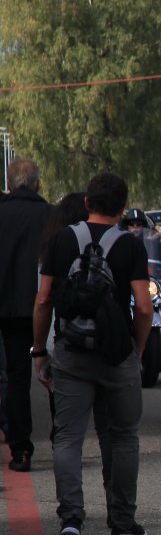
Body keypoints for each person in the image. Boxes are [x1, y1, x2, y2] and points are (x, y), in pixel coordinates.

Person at [32, 171, 151, 535]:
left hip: (72, 352)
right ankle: (123, 522)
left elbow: (43, 300)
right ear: (123, 207)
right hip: (116, 354)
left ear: (87, 203)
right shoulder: (131, 245)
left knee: (68, 437)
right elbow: (144, 307)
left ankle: (71, 520)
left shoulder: (61, 240)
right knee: (124, 436)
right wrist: (137, 349)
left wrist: (40, 350)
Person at [0, 159, 49, 471]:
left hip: (6, 305)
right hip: (38, 305)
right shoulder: (50, 215)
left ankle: (20, 448)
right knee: (45, 375)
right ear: (37, 184)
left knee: (15, 377)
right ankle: (61, 442)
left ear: (9, 184)